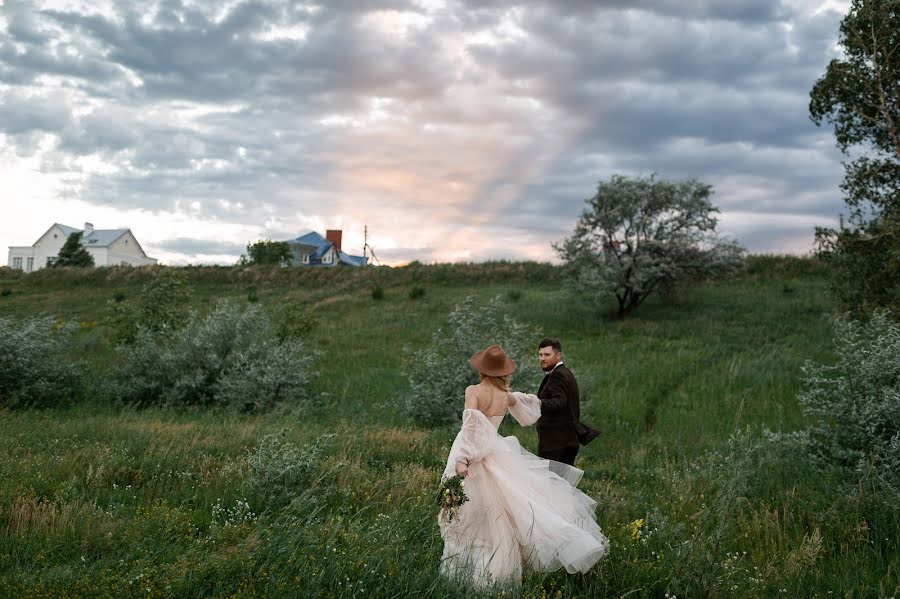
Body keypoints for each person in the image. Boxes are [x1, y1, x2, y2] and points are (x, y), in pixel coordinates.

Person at [439, 344, 608, 589]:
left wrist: (462, 459)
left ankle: (471, 568)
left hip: (474, 454)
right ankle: (501, 563)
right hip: (496, 452)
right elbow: (527, 411)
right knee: (504, 510)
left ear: (482, 370)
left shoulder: (473, 390)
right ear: (502, 372)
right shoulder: (504, 396)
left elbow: (470, 430)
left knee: (471, 511)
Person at [536, 337, 585, 466]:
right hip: (564, 442)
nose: (542, 358)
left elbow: (559, 402)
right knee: (561, 485)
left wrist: (535, 402)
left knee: (552, 485)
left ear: (558, 355)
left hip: (557, 444)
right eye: (540, 355)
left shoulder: (558, 375)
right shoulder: (563, 372)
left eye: (547, 354)